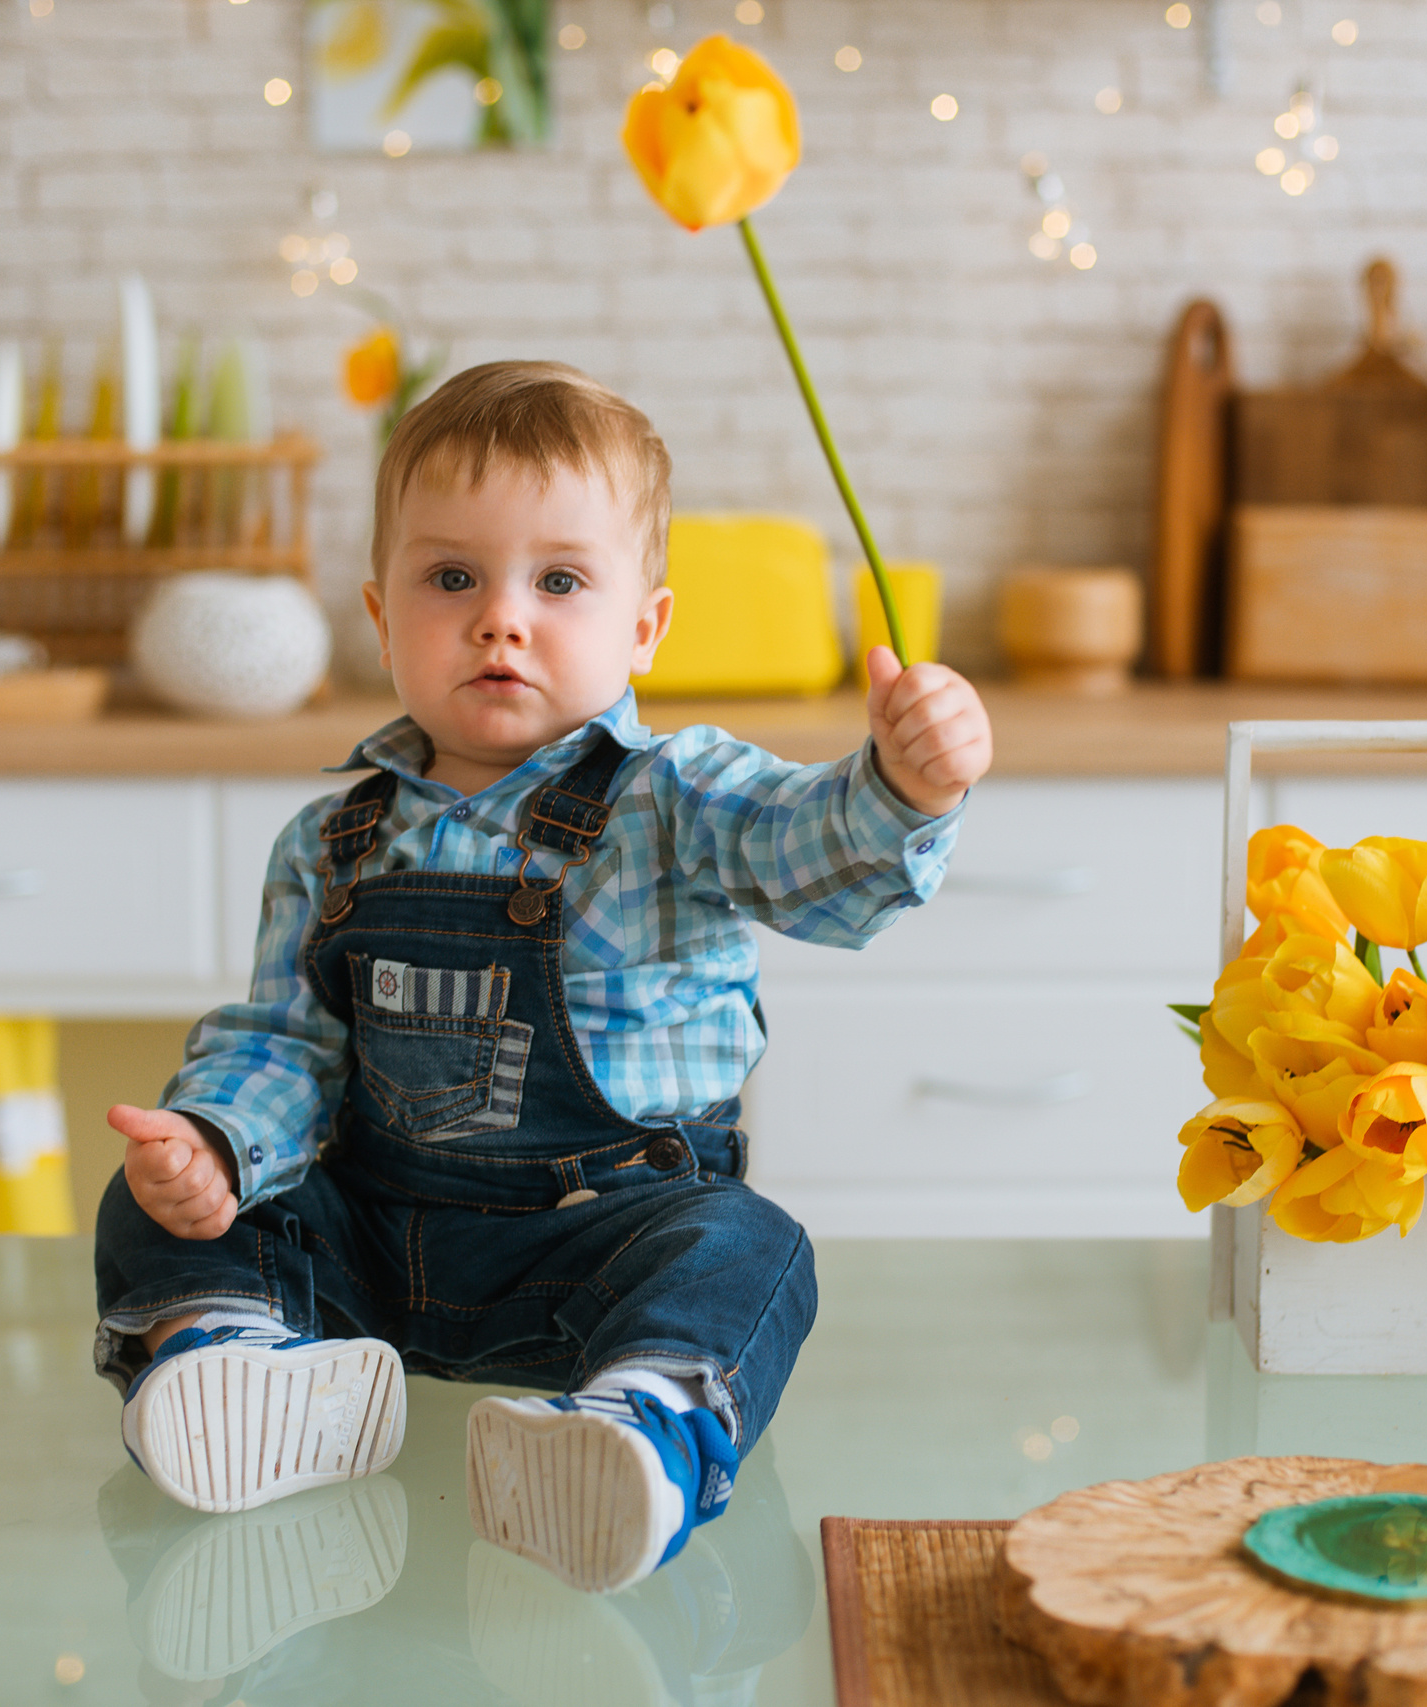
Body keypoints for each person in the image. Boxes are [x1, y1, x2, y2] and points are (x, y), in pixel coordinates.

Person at [92, 360, 992, 1594]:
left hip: (603, 1243)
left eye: (558, 581)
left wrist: (903, 787)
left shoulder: (673, 797)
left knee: (751, 1246)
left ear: (644, 626)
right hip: (376, 1246)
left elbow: (811, 854)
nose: (499, 617)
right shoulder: (330, 840)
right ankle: (240, 1363)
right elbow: (284, 1048)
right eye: (450, 577)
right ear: (379, 611)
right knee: (151, 1198)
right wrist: (212, 1144)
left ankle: (638, 1426)